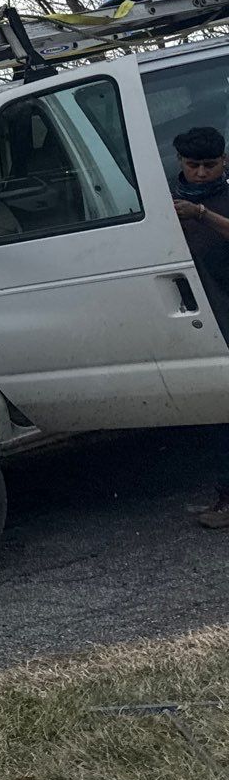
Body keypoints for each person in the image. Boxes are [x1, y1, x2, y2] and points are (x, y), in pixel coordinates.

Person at [170, 126, 229, 527]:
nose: (202, 173)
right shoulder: (165, 203)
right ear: (181, 164)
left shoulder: (220, 200)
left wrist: (203, 215)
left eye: (210, 165)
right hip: (199, 316)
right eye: (194, 166)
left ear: (224, 161)